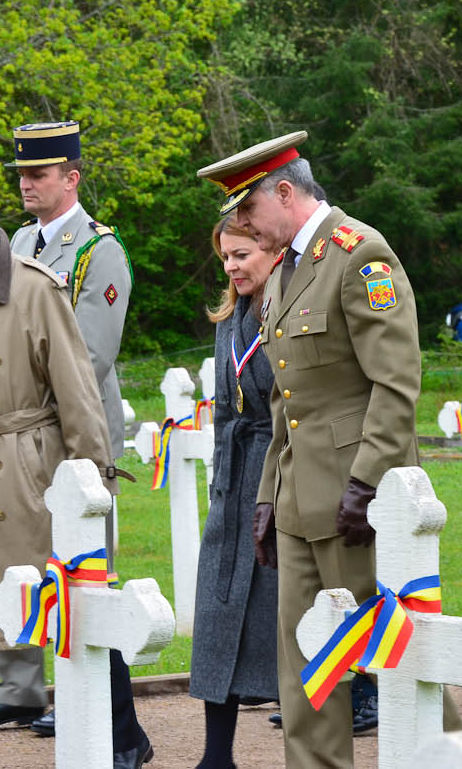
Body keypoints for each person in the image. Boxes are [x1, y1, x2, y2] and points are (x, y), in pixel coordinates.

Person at [0, 181, 153, 769]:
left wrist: (89, 487)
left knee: (75, 604)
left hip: (31, 476)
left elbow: (77, 391)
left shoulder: (36, 290)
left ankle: (121, 736)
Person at [199, 130, 432, 767]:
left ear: (284, 192)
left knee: (400, 655)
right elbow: (287, 404)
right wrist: (269, 497)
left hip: (356, 500)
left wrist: (367, 484)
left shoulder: (360, 254)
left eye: (246, 213)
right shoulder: (286, 272)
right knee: (308, 666)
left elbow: (395, 381)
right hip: (300, 501)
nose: (242, 228)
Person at [0, 120, 133, 737]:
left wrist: (19, 398)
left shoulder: (100, 251)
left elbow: (89, 356)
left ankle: (86, 690)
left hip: (70, 427)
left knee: (76, 560)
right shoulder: (17, 241)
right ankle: (19, 686)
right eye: (21, 174)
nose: (26, 184)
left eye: (39, 174)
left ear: (70, 179)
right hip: (18, 429)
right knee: (15, 555)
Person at [189, 216, 280, 769]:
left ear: (272, 251)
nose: (232, 267)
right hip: (234, 478)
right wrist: (221, 484)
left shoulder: (294, 313)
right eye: (225, 257)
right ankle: (215, 756)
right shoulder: (229, 321)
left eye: (242, 254)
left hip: (279, 473)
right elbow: (226, 410)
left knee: (282, 617)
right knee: (217, 614)